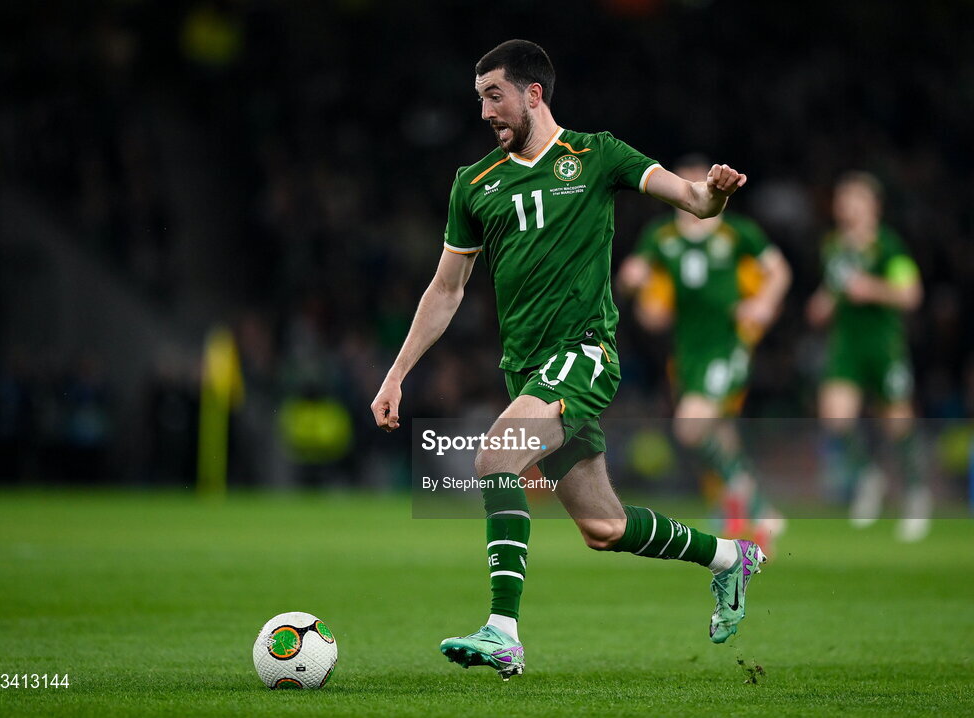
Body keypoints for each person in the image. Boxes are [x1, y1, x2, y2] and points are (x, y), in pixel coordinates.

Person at [370, 40, 766, 680]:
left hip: (583, 355)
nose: (484, 113)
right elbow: (445, 290)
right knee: (604, 527)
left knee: (495, 457)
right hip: (526, 369)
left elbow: (692, 200)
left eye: (494, 96)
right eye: (478, 100)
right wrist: (395, 375)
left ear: (533, 94)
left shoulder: (597, 154)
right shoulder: (473, 185)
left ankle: (503, 632)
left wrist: (715, 193)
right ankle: (729, 558)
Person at [616, 155, 791, 551]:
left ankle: (761, 508)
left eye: (706, 184)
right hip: (688, 353)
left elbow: (780, 271)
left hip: (728, 345)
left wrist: (764, 302)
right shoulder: (661, 237)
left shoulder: (736, 232)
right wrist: (633, 286)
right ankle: (742, 504)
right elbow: (639, 291)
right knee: (720, 434)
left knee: (690, 426)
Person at [806, 172, 929, 542]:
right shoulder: (834, 247)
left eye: (854, 199)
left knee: (897, 424)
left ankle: (915, 494)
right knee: (835, 416)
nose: (846, 206)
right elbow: (834, 289)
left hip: (883, 345)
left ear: (873, 206)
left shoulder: (887, 246)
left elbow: (911, 294)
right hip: (847, 345)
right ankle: (868, 477)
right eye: (843, 199)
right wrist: (823, 303)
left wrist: (872, 289)